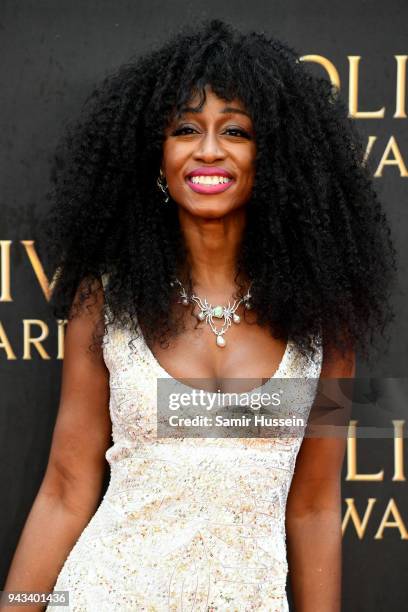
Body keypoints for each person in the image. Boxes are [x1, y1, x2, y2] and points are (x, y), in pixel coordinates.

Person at [2, 18, 396, 612]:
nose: (208, 149)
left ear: (272, 158)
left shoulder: (325, 320)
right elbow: (65, 488)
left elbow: (314, 505)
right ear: (157, 156)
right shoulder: (105, 300)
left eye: (235, 130)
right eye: (187, 128)